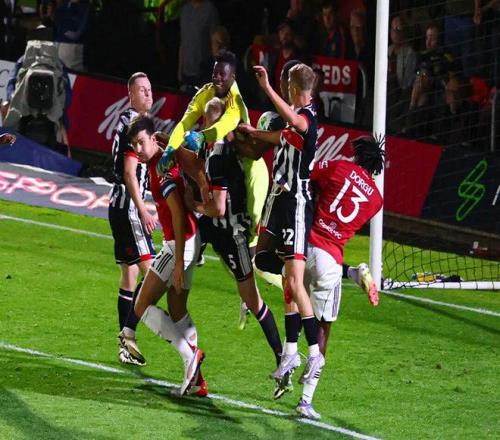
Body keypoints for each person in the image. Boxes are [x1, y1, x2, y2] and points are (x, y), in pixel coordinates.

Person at [157, 50, 271, 328]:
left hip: (250, 174)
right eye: (215, 72)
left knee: (249, 245)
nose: (217, 77)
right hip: (224, 169)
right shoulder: (206, 93)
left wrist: (200, 136)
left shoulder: (235, 102)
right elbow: (185, 123)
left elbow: (223, 127)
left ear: (233, 77)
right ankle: (192, 259)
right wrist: (171, 148)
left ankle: (255, 292)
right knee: (211, 223)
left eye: (223, 74)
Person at [186, 97, 284, 397]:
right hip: (211, 225)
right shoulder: (214, 145)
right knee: (174, 270)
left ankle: (283, 358)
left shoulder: (232, 156)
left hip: (232, 232)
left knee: (253, 299)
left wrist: (192, 204)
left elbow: (225, 208)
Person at [239, 63, 322, 391]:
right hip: (280, 201)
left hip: (296, 205)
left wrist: (266, 88)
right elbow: (280, 136)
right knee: (265, 261)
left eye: (287, 85)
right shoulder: (294, 118)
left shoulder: (308, 118)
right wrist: (253, 132)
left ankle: (311, 353)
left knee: (294, 282)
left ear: (293, 88)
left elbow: (294, 123)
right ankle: (290, 352)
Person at [291, 135, 384, 420]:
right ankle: (306, 400)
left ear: (357, 155)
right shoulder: (376, 201)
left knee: (296, 309)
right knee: (324, 328)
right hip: (330, 258)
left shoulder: (339, 167)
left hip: (303, 247)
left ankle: (287, 359)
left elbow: (308, 176)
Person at [126, 114, 205, 397]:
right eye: (134, 145)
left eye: (141, 142)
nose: (138, 149)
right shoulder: (162, 159)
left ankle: (190, 356)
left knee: (142, 304)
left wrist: (179, 263)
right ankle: (198, 381)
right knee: (177, 308)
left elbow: (178, 215)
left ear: (152, 138)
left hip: (179, 243)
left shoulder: (161, 168)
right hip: (190, 239)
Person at [109, 72, 156, 366]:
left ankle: (126, 343)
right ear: (130, 94)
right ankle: (128, 334)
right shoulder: (133, 124)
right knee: (154, 275)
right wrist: (143, 209)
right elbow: (129, 172)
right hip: (128, 207)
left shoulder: (133, 121)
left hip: (118, 205)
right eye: (142, 90)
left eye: (150, 89)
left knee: (130, 275)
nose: (148, 94)